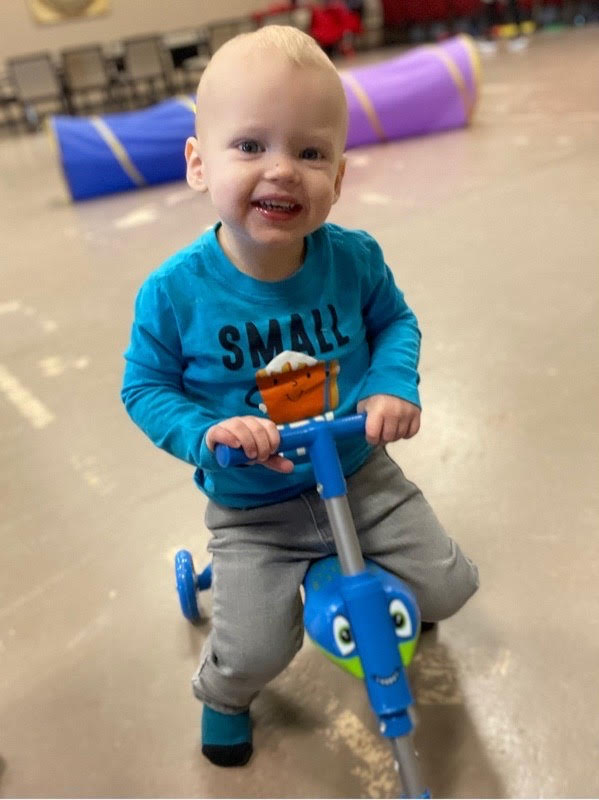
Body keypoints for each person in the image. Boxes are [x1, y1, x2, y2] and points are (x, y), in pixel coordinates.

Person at [121, 25, 479, 768]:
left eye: (309, 152)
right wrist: (206, 433)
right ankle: (221, 696)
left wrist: (389, 385)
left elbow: (393, 323)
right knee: (253, 647)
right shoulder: (175, 294)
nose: (281, 170)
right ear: (197, 162)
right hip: (257, 507)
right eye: (249, 146)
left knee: (448, 587)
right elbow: (145, 387)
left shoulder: (353, 260)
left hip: (359, 473)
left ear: (339, 177)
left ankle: (389, 596)